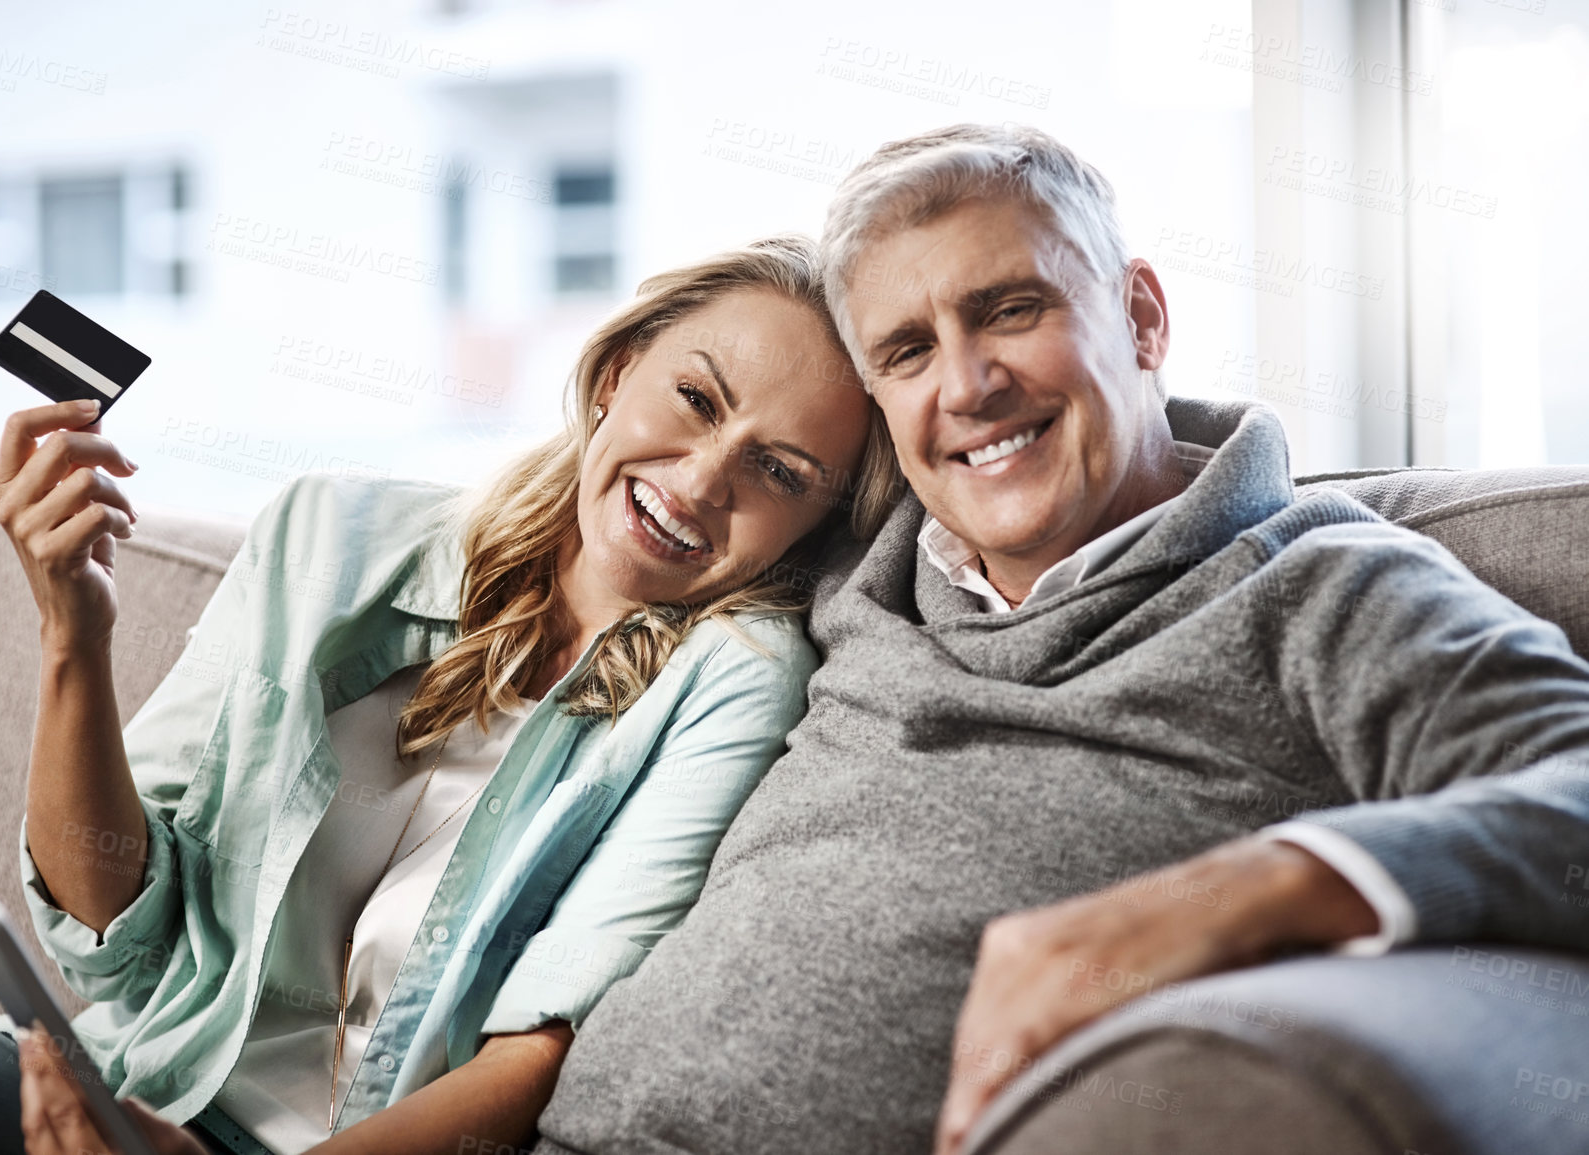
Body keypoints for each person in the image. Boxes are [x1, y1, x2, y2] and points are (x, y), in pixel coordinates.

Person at [523, 125, 1589, 1155]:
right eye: (906, 352)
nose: (967, 385)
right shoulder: (864, 563)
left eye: (1011, 310)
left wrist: (1236, 898)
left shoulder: (1324, 586)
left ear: (1140, 317)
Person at [0, 236, 904, 1155]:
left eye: (779, 470)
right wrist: (70, 634)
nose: (706, 478)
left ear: (814, 527)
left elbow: (535, 1058)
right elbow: (113, 935)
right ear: (616, 373)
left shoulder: (734, 686)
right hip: (114, 1091)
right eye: (695, 399)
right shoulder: (330, 534)